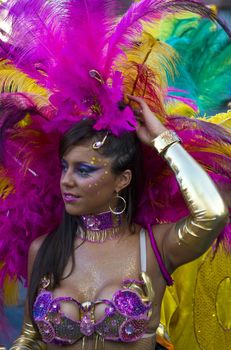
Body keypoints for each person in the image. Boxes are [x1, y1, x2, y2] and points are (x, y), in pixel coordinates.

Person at [0, 1, 230, 350]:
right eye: (65, 167)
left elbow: (211, 213)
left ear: (122, 179)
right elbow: (30, 336)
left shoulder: (153, 248)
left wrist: (163, 142)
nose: (67, 180)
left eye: (84, 170)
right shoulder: (44, 250)